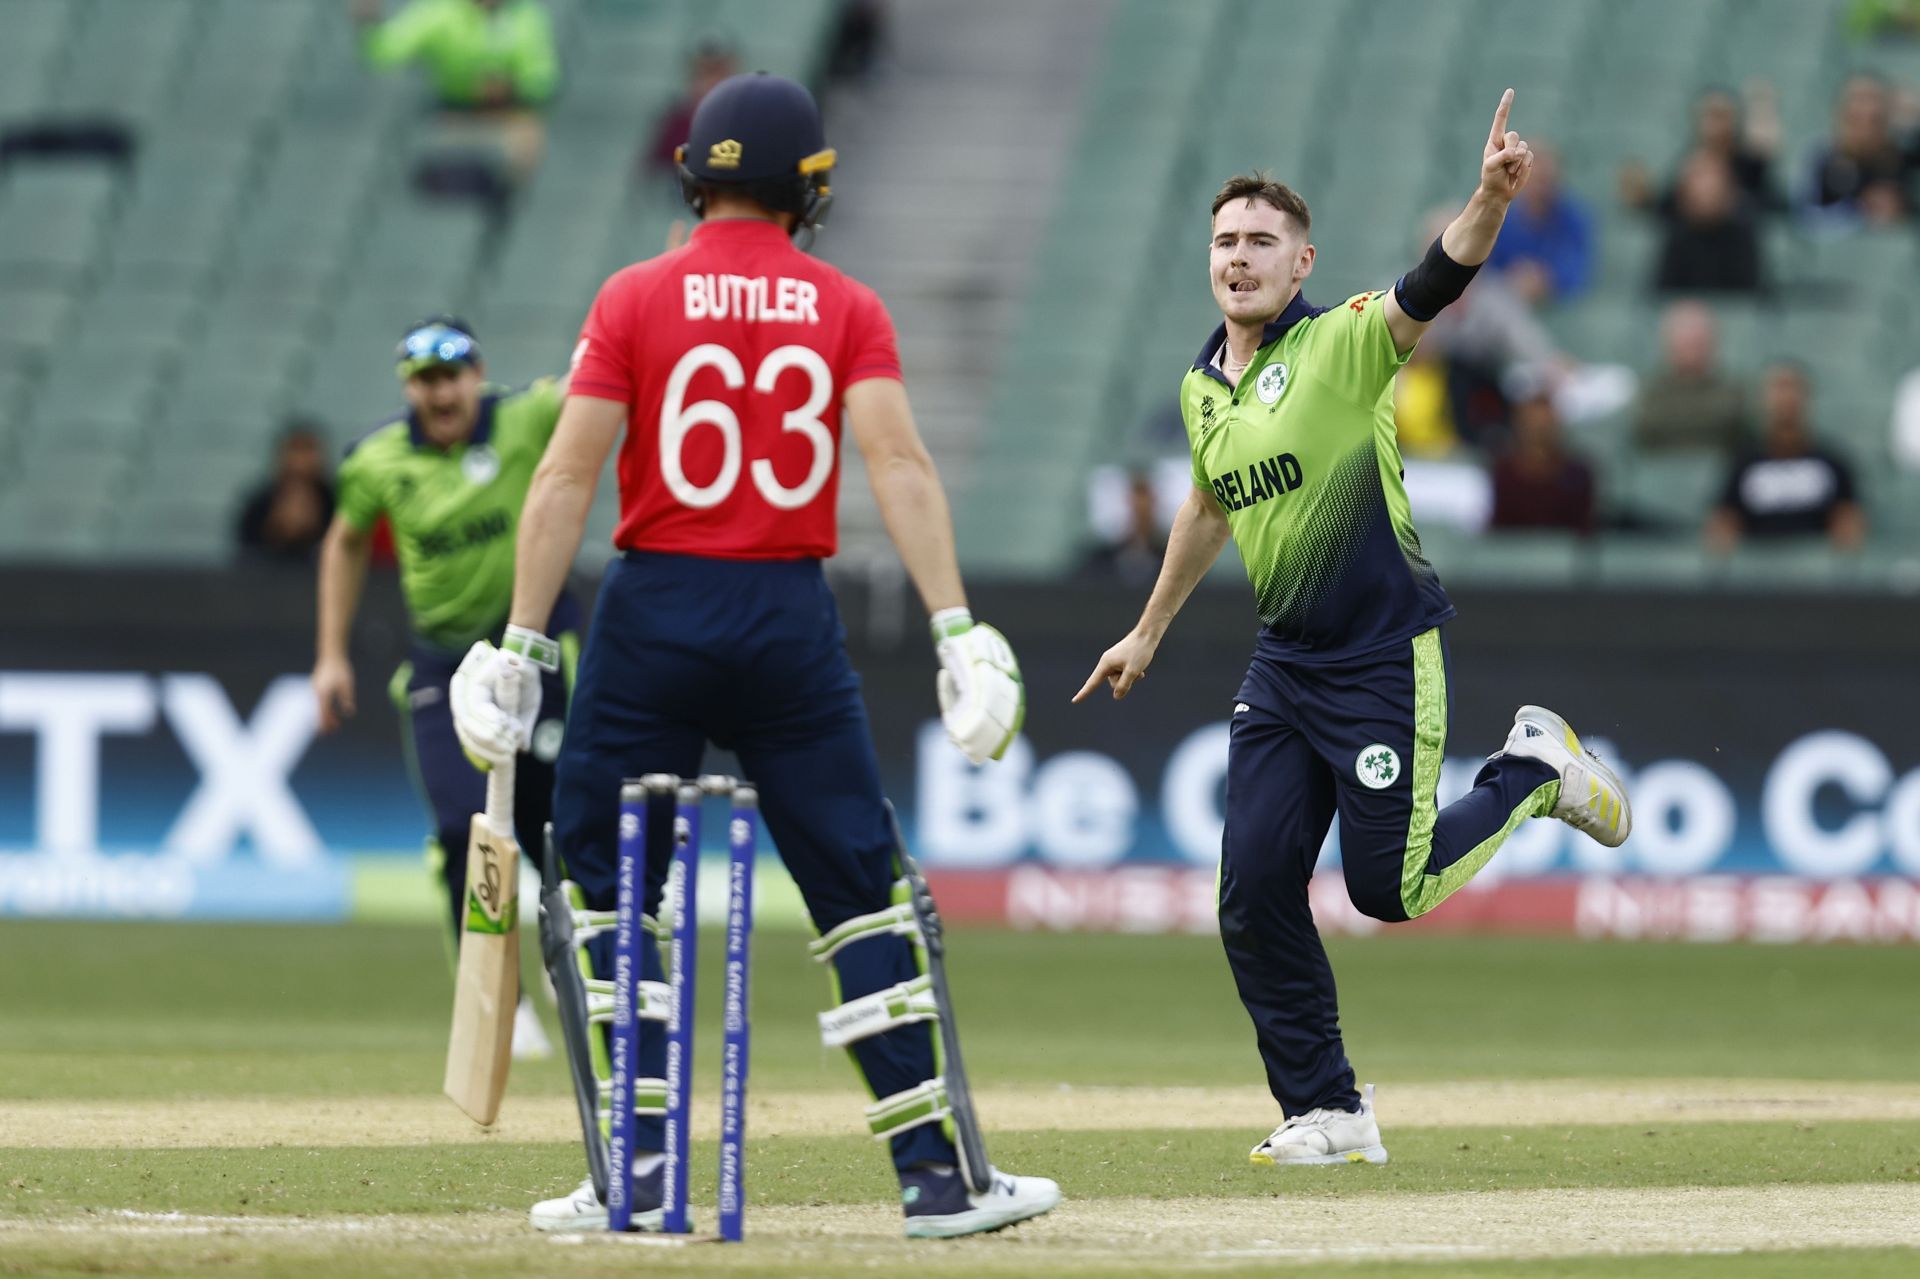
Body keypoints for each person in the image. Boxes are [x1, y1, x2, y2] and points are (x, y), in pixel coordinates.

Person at [447, 73, 1058, 1238]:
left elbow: (568, 473)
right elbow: (898, 465)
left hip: (651, 613)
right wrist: (954, 625)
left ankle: (635, 1178)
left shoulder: (632, 296)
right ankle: (940, 1181)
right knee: (860, 888)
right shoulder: (844, 305)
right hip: (786, 614)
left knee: (608, 889)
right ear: (807, 189)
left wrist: (520, 637)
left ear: (694, 178)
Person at [1074, 92, 1632, 1169]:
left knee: (1391, 888)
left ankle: (1532, 771)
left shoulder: (1340, 345)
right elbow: (1205, 507)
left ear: (1301, 262)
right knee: (1250, 893)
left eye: (1260, 242)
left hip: (1382, 655)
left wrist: (1486, 200)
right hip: (1284, 664)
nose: (1238, 257)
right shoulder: (1202, 385)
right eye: (1224, 240)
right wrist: (1145, 632)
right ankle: (1328, 1106)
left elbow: (1434, 283)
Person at [312, 316, 573, 1061]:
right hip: (443, 662)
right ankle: (501, 998)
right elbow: (345, 540)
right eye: (425, 379)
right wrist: (331, 654)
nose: (441, 391)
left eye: (453, 375)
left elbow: (600, 380)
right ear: (408, 387)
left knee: (555, 817)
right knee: (463, 829)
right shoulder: (378, 459)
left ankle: (568, 963)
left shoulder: (526, 416)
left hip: (538, 642)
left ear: (478, 375)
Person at [351, 0, 558, 185]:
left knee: (527, 134)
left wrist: (511, 87)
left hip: (508, 110)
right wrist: (368, 19)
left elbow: (543, 77)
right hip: (453, 110)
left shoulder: (526, 16)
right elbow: (383, 52)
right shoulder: (438, 12)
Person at [1707, 362, 1866, 552]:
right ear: (1762, 399)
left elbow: (1849, 522)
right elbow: (1723, 522)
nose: (1785, 398)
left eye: (1792, 388)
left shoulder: (1832, 462)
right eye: (1777, 389)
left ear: (1807, 397)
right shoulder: (1743, 463)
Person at [1632, 301, 1748, 454]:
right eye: (1685, 342)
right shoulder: (1651, 392)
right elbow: (1646, 427)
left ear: (1713, 343)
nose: (1691, 351)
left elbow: (1733, 422)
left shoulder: (1734, 390)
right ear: (1668, 344)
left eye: (1697, 342)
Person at [1482, 143, 1592, 304]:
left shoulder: (1575, 220)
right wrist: (1512, 279)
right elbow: (1487, 270)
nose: (1542, 189)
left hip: (1559, 305)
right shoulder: (1502, 220)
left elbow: (1578, 270)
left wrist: (1545, 280)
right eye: (1536, 180)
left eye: (1547, 180)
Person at [1804, 74, 1913, 226]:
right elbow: (1806, 217)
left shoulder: (1904, 156)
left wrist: (1899, 209)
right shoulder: (1822, 157)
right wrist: (1859, 209)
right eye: (1859, 99)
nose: (1866, 109)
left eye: (1874, 99)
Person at [1653, 149, 1764, 295]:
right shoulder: (1675, 238)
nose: (1706, 189)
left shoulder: (1743, 239)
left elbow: (1750, 298)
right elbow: (1661, 297)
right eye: (1699, 180)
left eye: (1712, 182)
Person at [1488, 390, 1595, 534]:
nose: (1540, 429)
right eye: (1533, 422)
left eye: (1546, 423)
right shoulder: (1501, 471)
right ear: (1520, 424)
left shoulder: (1578, 473)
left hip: (1563, 553)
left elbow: (1583, 530)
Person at [640, 38, 738, 185]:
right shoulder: (675, 124)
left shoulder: (748, 124)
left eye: (718, 72)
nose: (712, 82)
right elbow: (653, 176)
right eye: (705, 73)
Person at [237, 422, 337, 562]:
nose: (300, 461)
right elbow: (245, 555)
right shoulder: (259, 505)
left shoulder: (337, 504)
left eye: (308, 450)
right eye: (295, 449)